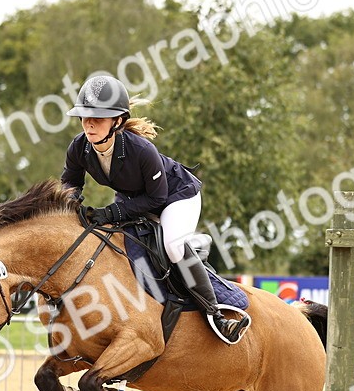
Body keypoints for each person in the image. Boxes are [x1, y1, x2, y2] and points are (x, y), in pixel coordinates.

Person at [60, 74, 249, 345]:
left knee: (172, 247)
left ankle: (216, 313)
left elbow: (156, 199)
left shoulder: (141, 150)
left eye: (98, 118)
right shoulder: (79, 147)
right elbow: (70, 181)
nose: (89, 124)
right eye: (84, 117)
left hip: (175, 197)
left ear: (117, 121)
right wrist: (70, 203)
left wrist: (111, 213)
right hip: (134, 199)